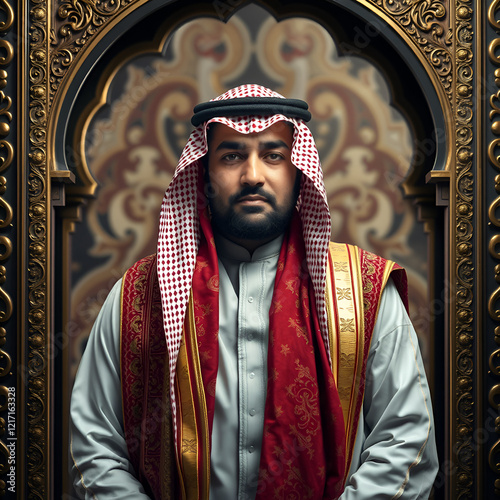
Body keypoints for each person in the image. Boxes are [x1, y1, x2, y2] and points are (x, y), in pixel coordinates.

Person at [70, 84, 439, 499]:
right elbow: (95, 444)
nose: (252, 175)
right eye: (231, 156)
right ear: (203, 172)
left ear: (298, 170)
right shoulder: (140, 295)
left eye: (273, 155)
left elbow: (405, 442)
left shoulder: (363, 290)